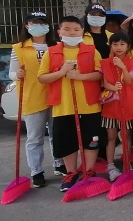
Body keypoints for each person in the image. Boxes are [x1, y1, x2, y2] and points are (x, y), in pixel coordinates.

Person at [38, 16, 103, 192]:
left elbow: (100, 74)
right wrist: (62, 72)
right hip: (63, 106)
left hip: (89, 104)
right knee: (67, 140)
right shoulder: (51, 52)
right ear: (59, 32)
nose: (72, 33)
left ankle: (89, 170)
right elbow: (42, 78)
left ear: (82, 32)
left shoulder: (92, 51)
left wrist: (80, 76)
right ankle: (71, 172)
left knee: (91, 140)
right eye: (67, 29)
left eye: (76, 29)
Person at [9, 11, 64, 188]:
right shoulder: (19, 48)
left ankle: (59, 163)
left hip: (55, 95)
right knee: (35, 137)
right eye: (34, 23)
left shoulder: (56, 46)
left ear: (48, 26)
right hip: (32, 97)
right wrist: (17, 75)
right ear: (27, 26)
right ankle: (36, 171)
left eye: (42, 23)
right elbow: (11, 73)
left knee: (57, 134)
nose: (39, 26)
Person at [99, 31, 133, 182]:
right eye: (115, 44)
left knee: (126, 136)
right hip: (111, 104)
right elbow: (104, 83)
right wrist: (112, 87)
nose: (119, 47)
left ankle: (127, 163)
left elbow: (129, 81)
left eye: (122, 44)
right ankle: (110, 166)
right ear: (111, 46)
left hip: (128, 104)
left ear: (128, 46)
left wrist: (122, 67)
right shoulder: (105, 62)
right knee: (111, 136)